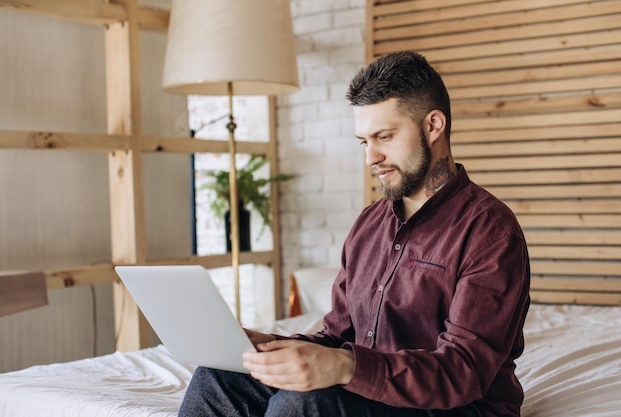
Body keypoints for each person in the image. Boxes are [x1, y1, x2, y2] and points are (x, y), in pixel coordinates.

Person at [178, 50, 531, 417]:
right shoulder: (369, 225)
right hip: (368, 392)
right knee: (219, 376)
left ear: (434, 125)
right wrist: (271, 347)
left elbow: (463, 371)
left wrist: (346, 367)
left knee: (303, 402)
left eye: (384, 136)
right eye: (364, 141)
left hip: (458, 407)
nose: (370, 157)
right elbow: (338, 337)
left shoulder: (490, 231)